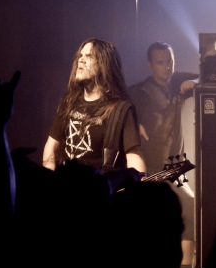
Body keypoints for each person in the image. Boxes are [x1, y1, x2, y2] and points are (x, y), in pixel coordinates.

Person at [128, 41, 199, 268]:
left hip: (175, 167)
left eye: (169, 60)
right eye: (161, 62)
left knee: (190, 206)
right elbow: (116, 101)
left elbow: (207, 77)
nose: (167, 66)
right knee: (152, 219)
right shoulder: (139, 91)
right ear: (150, 65)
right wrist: (132, 122)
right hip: (150, 168)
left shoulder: (178, 79)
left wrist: (196, 83)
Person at [42, 38, 146, 179]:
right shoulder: (69, 102)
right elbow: (51, 146)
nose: (81, 60)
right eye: (80, 55)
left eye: (89, 56)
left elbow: (133, 157)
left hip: (97, 194)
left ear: (105, 64)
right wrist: (48, 180)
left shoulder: (121, 110)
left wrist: (142, 190)